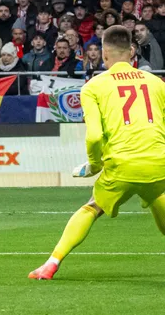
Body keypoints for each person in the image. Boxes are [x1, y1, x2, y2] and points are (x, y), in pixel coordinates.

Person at [29, 25, 165, 280]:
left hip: (121, 165)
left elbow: (93, 136)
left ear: (104, 54)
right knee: (158, 195)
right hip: (158, 162)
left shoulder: (93, 86)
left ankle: (51, 263)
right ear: (132, 51)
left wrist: (94, 165)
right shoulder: (157, 83)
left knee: (92, 208)